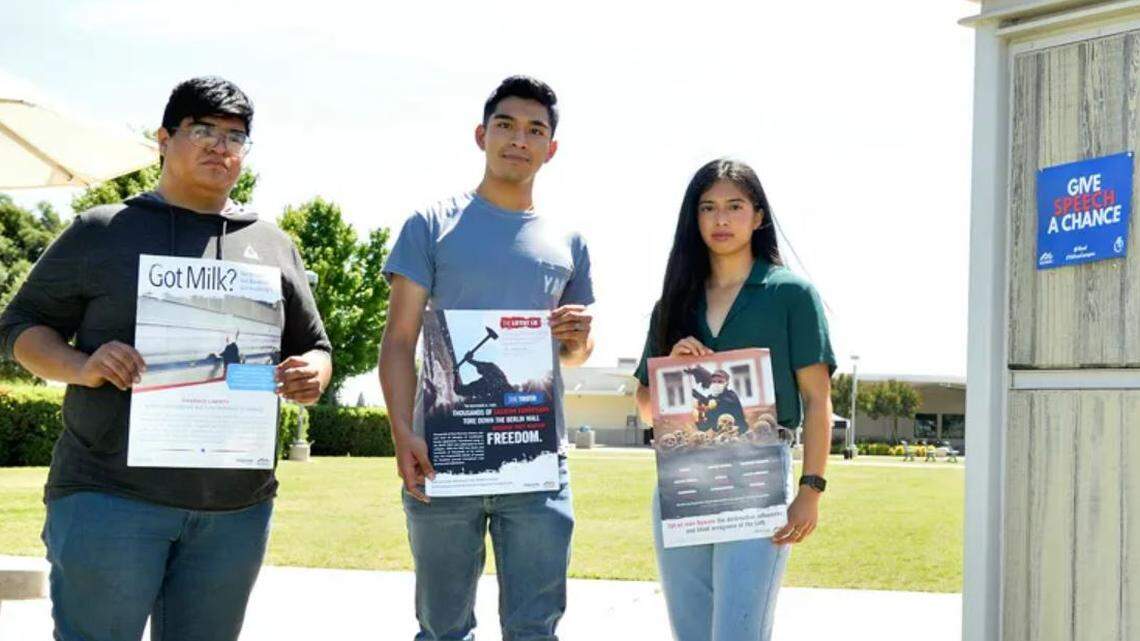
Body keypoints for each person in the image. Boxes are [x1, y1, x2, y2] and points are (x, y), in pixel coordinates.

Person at [0, 76, 332, 641]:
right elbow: (17, 329)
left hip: (235, 509)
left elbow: (315, 348)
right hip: (109, 499)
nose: (220, 147)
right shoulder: (102, 229)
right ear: (163, 137)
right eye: (202, 130)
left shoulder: (272, 243)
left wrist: (311, 376)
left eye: (235, 137)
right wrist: (82, 365)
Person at [378, 75, 594, 641]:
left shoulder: (568, 240)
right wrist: (403, 434)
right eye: (505, 125)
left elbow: (573, 353)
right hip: (444, 457)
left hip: (538, 463)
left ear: (552, 147)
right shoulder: (429, 225)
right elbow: (399, 341)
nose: (518, 139)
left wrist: (575, 336)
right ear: (481, 134)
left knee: (534, 629)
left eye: (534, 130)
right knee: (442, 628)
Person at [634, 159, 835, 641]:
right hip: (681, 482)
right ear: (694, 218)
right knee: (692, 632)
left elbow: (817, 399)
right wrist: (674, 373)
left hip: (759, 478)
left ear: (758, 217)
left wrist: (810, 490)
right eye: (708, 208)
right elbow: (644, 407)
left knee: (738, 631)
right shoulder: (673, 303)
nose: (721, 220)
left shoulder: (792, 294)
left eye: (734, 206)